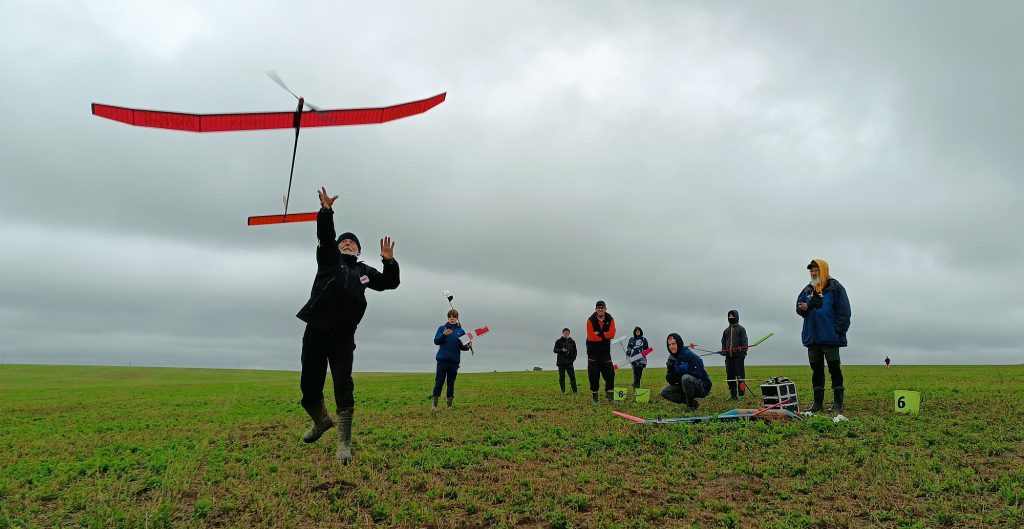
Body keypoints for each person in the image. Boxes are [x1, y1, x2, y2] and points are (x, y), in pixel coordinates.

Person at [295, 187, 400, 464]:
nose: (347, 245)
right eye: (344, 243)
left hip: (343, 337)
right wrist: (326, 212)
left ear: (359, 250)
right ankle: (321, 421)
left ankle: (344, 442)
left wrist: (389, 262)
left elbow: (391, 283)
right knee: (309, 387)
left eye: (352, 243)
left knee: (344, 386)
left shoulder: (364, 272)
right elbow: (326, 237)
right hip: (316, 330)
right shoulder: (329, 262)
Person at [796, 259, 852, 413]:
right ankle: (817, 404)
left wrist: (837, 332)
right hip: (813, 338)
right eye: (811, 271)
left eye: (816, 270)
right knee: (816, 370)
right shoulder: (808, 289)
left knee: (834, 369)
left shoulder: (836, 288)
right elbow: (799, 308)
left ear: (824, 270)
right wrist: (805, 306)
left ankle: (838, 403)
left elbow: (845, 312)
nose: (813, 273)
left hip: (830, 337)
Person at [432, 309, 472, 411]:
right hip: (442, 360)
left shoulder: (461, 331)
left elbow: (462, 347)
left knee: (451, 383)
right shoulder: (442, 328)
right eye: (450, 316)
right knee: (439, 382)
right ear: (448, 318)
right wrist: (444, 334)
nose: (452, 318)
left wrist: (468, 346)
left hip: (454, 361)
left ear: (457, 318)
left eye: (454, 316)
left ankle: (449, 405)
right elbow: (436, 341)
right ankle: (434, 405)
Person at [661, 333, 713, 410]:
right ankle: (693, 403)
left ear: (678, 343)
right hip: (684, 385)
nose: (671, 347)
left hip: (701, 387)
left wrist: (680, 376)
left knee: (685, 378)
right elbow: (671, 381)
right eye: (669, 345)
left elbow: (698, 374)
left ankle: (690, 406)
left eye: (673, 344)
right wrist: (670, 368)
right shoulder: (671, 358)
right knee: (665, 391)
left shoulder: (690, 355)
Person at [585, 300, 617, 403]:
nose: (600, 309)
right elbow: (590, 337)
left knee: (610, 374)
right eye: (598, 308)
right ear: (595, 309)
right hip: (593, 353)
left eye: (602, 308)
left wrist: (599, 333)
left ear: (605, 309)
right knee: (593, 375)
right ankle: (595, 398)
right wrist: (604, 336)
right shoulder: (590, 320)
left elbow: (612, 334)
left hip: (605, 353)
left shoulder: (610, 319)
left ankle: (610, 397)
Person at [720, 310, 749, 400]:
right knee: (730, 377)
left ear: (736, 317)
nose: (731, 318)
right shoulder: (726, 331)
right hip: (729, 358)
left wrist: (742, 353)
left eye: (733, 316)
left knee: (740, 377)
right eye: (729, 316)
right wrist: (724, 351)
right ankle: (733, 395)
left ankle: (741, 395)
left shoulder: (741, 329)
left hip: (738, 358)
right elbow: (723, 343)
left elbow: (745, 343)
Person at [553, 328, 578, 393]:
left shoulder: (572, 341)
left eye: (567, 332)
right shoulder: (558, 341)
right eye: (565, 332)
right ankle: (563, 391)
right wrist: (561, 350)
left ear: (569, 333)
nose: (566, 333)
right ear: (563, 333)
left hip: (569, 362)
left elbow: (575, 352)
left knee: (572, 376)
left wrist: (573, 359)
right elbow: (555, 350)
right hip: (561, 362)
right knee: (562, 377)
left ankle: (575, 391)